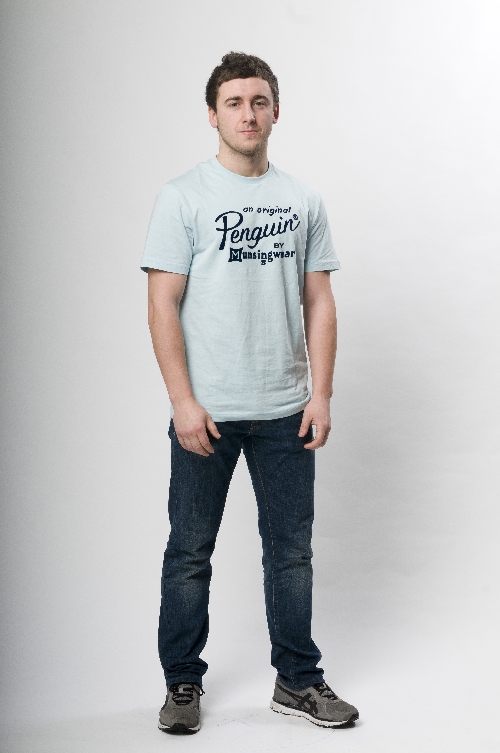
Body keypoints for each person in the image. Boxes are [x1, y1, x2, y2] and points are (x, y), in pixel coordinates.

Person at [141, 51, 359, 735]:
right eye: (234, 102)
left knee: (291, 552)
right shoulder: (183, 197)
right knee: (189, 552)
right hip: (206, 411)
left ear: (276, 111)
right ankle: (182, 681)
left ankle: (297, 680)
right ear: (213, 115)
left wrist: (321, 394)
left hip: (285, 409)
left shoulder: (302, 200)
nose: (247, 113)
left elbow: (320, 302)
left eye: (259, 101)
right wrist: (182, 401)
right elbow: (161, 302)